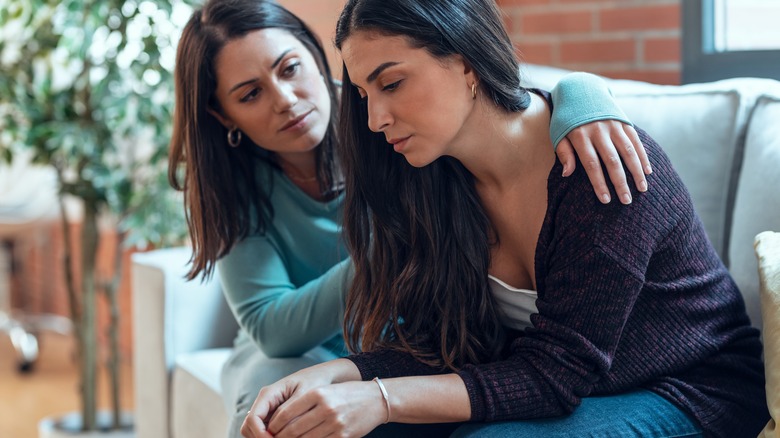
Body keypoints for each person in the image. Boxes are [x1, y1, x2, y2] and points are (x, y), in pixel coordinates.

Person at [239, 0, 770, 437]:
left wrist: (379, 397)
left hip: (690, 389)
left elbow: (557, 374)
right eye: (363, 95)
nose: (375, 119)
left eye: (392, 83)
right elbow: (446, 350)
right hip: (575, 386)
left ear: (466, 62)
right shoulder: (436, 180)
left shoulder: (598, 166)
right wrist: (341, 374)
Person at [168, 0, 652, 436]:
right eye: (250, 94)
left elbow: (500, 97)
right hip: (335, 345)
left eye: (290, 68)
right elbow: (274, 331)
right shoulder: (249, 180)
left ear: (316, 58)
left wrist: (583, 93)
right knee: (273, 402)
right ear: (223, 115)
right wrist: (392, 254)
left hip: (405, 335)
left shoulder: (404, 132)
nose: (286, 100)